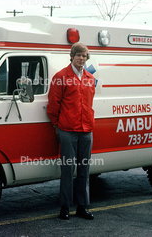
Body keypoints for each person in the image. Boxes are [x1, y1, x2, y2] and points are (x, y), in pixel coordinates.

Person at [47, 42, 96, 220]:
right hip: (67, 130)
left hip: (86, 130)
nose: (81, 59)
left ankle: (83, 207)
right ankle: (65, 207)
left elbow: (89, 103)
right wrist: (57, 125)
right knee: (67, 169)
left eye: (84, 56)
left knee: (84, 170)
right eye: (78, 55)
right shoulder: (60, 77)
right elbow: (53, 105)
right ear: (72, 56)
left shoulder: (90, 78)